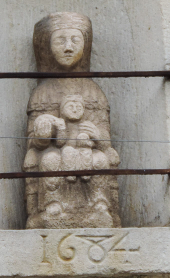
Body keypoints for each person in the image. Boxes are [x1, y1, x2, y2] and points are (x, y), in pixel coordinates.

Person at [23, 12, 120, 229]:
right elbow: (33, 143)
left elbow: (106, 140)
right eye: (60, 40)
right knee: (49, 160)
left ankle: (99, 207)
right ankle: (52, 206)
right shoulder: (42, 93)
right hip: (55, 155)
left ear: (85, 45)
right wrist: (43, 131)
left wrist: (97, 135)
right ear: (47, 47)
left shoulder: (94, 92)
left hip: (88, 152)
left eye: (75, 40)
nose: (68, 47)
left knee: (100, 161)